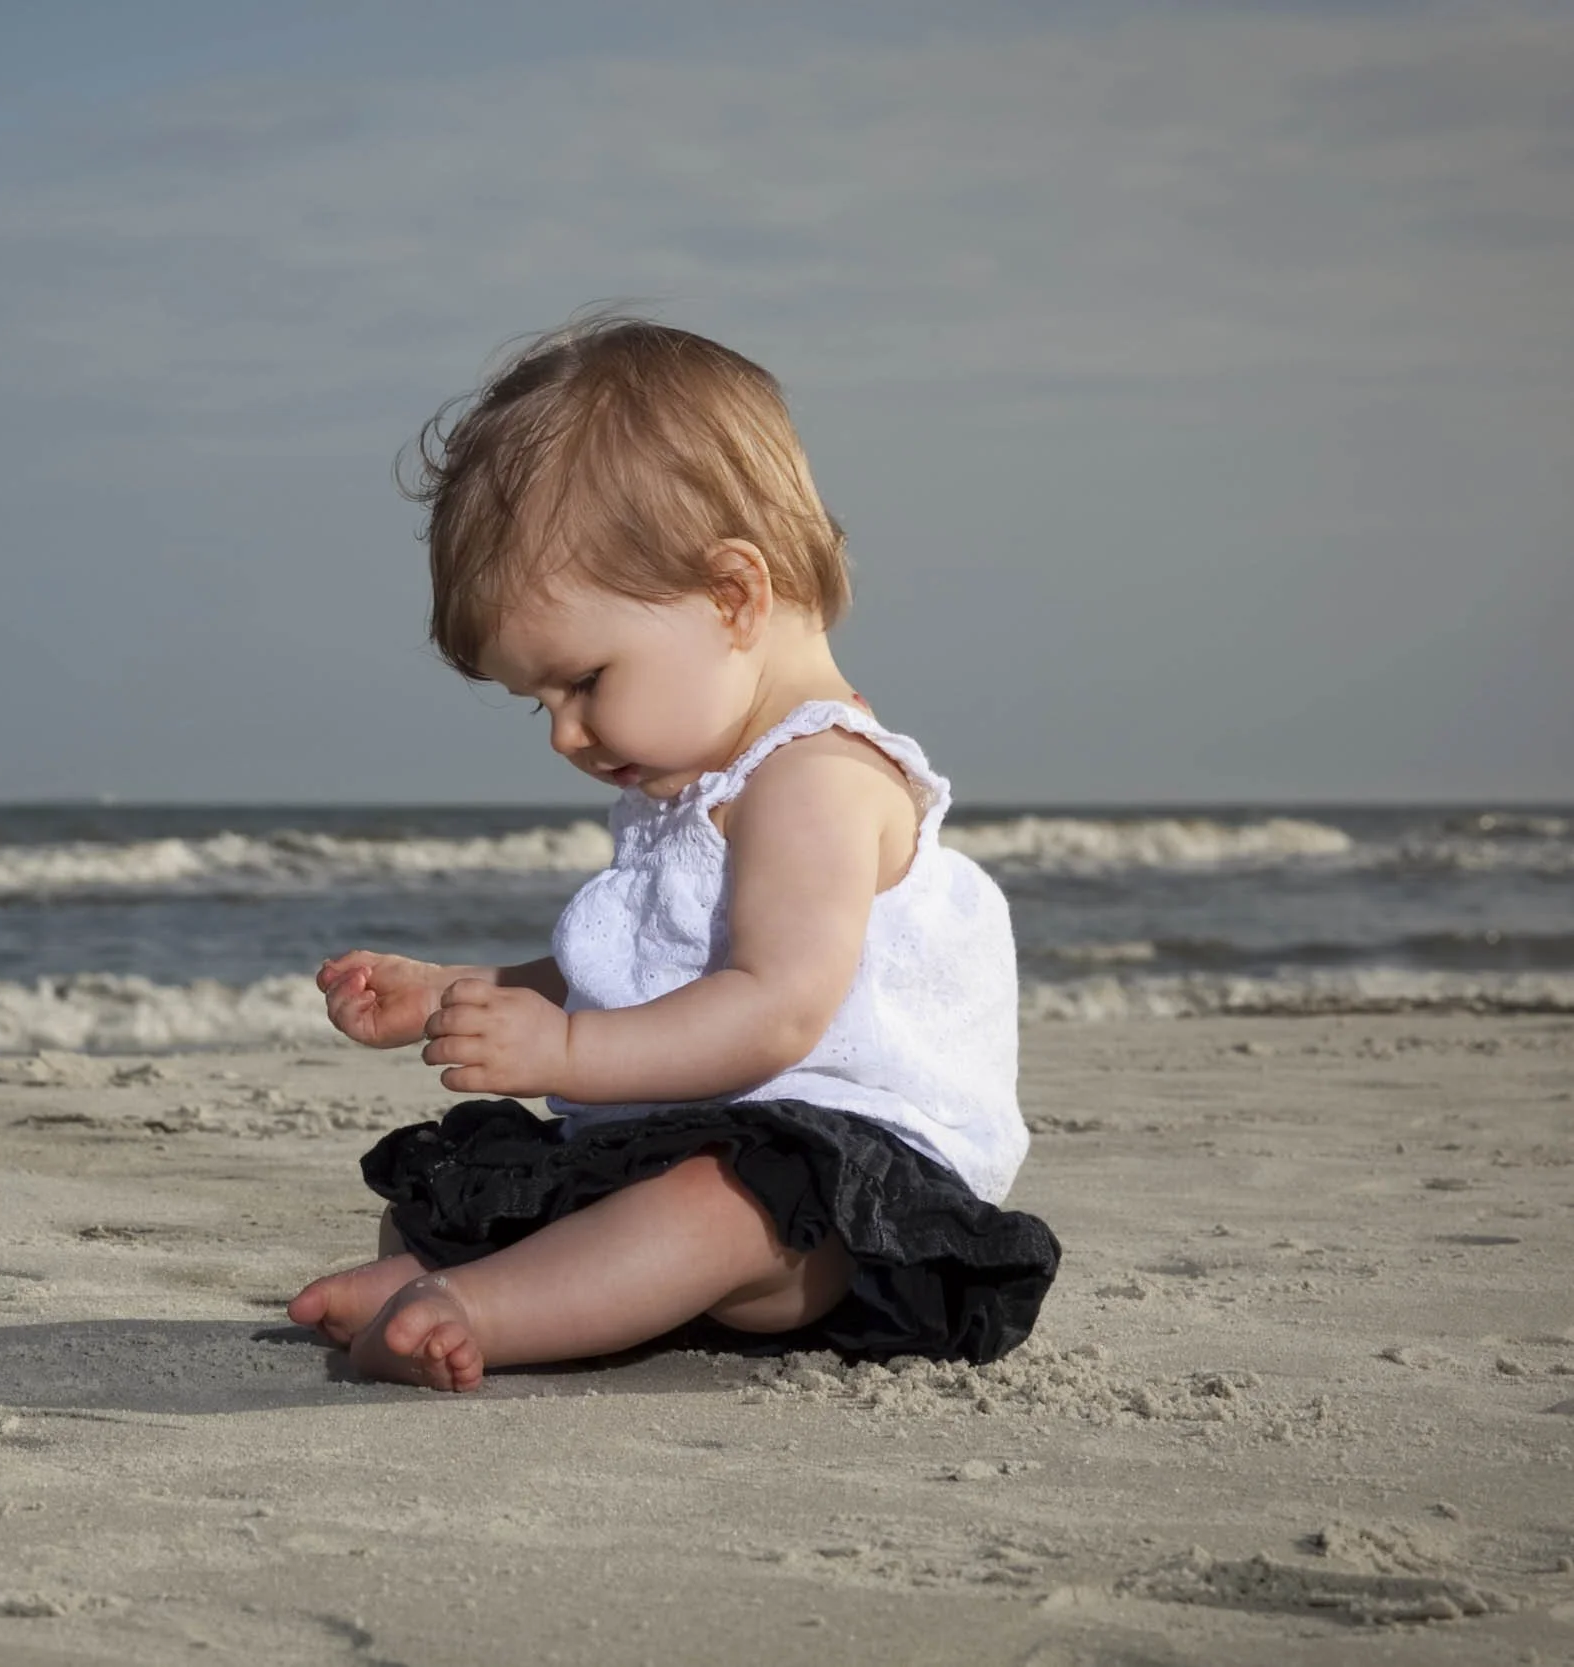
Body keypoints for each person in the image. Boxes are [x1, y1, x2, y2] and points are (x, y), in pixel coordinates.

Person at [287, 316, 1060, 1391]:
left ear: (732, 596)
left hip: (843, 1190)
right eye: (538, 703)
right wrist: (459, 991)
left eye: (585, 681)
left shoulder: (816, 781)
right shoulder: (694, 779)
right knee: (479, 1175)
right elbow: (639, 972)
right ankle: (472, 1274)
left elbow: (773, 1007)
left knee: (712, 1203)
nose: (563, 732)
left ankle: (489, 1304)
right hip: (695, 1127)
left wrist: (564, 1055)